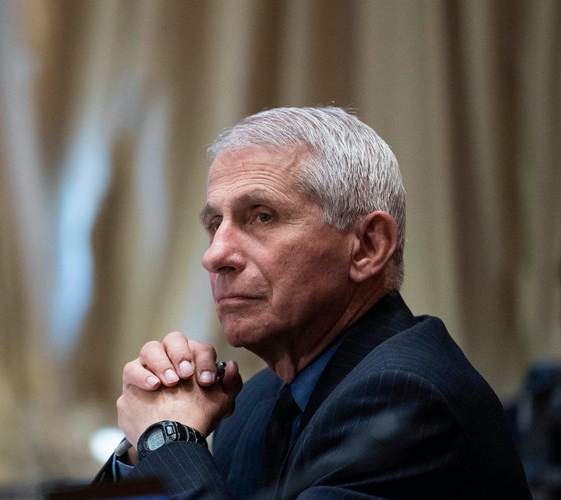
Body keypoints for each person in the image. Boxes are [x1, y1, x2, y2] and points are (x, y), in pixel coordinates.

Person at [95, 107, 531, 498]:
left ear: (367, 246)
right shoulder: (256, 401)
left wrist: (167, 440)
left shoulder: (407, 398)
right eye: (215, 223)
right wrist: (141, 452)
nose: (214, 255)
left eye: (261, 216)